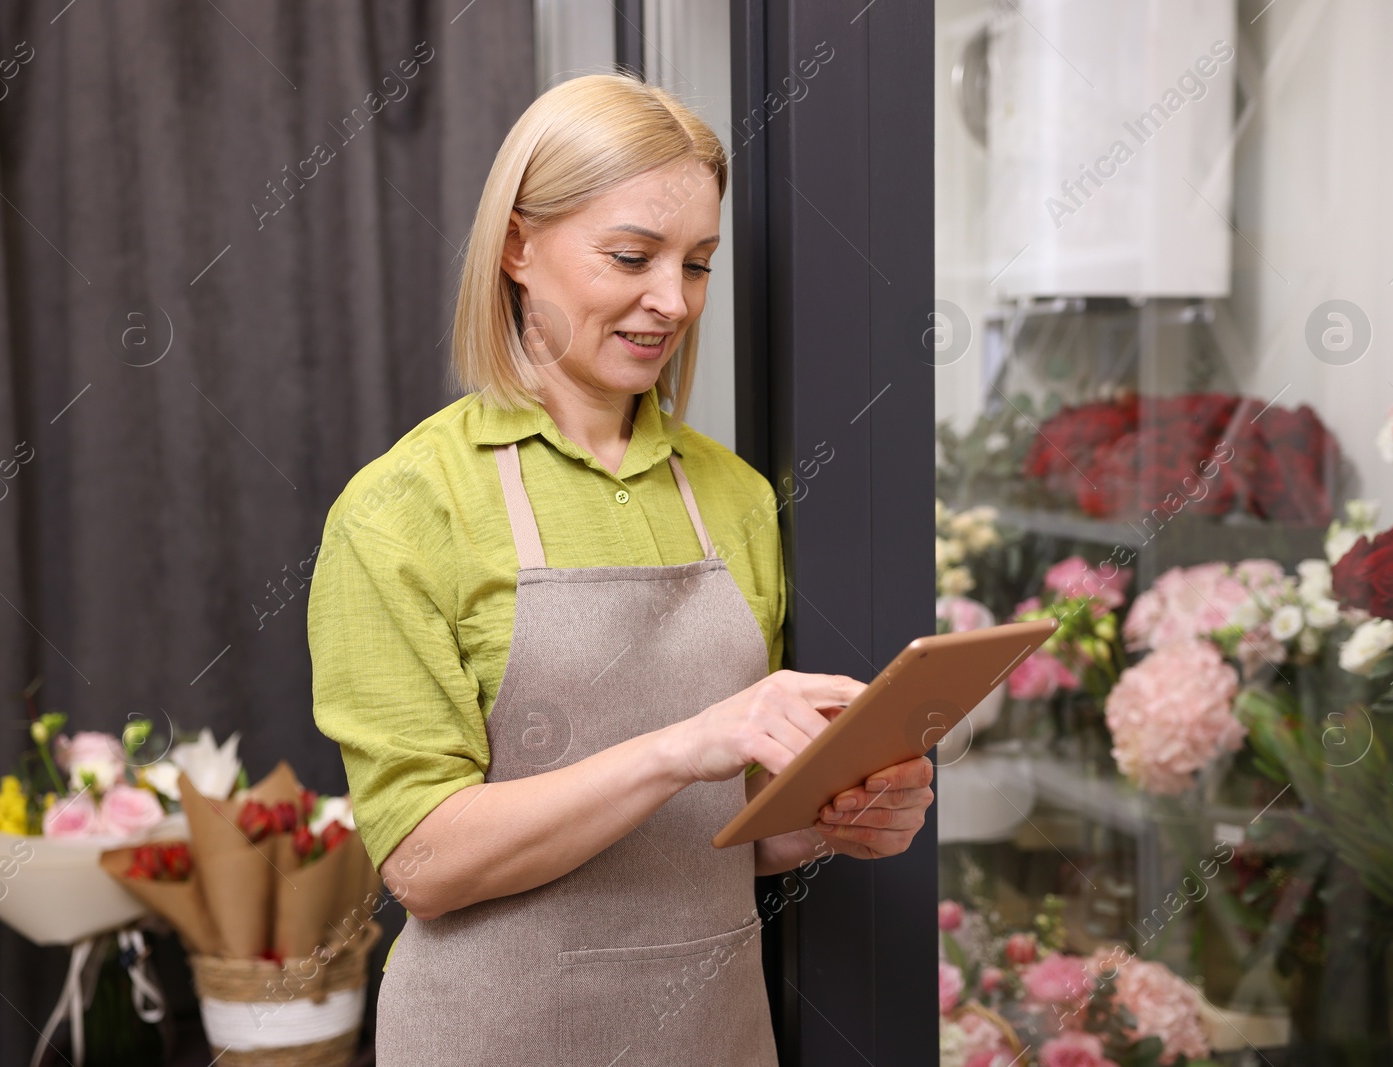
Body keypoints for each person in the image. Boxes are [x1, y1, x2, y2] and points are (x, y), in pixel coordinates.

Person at [308, 72, 934, 1066]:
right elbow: (422, 860)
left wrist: (831, 822)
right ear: (517, 245)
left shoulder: (732, 494)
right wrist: (682, 743)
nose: (671, 300)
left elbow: (712, 834)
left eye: (697, 264)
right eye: (631, 256)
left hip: (713, 1032)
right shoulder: (402, 510)